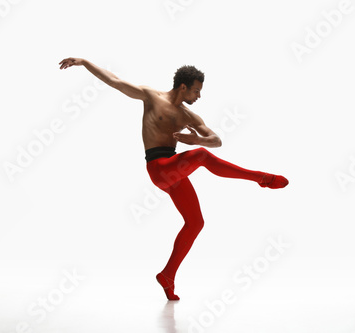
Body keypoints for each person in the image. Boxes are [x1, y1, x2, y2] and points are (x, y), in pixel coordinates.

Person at [59, 58, 289, 300]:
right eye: (196, 90)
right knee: (200, 156)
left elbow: (217, 140)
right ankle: (261, 178)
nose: (199, 96)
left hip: (174, 171)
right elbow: (114, 81)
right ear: (183, 87)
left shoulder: (189, 116)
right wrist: (84, 62)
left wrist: (196, 139)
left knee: (196, 223)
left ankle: (167, 276)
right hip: (159, 167)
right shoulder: (151, 96)